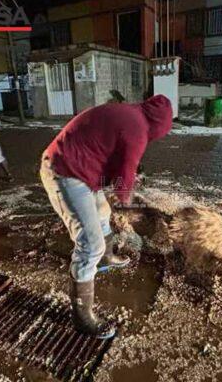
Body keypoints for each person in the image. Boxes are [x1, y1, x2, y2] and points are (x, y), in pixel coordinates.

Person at [40, 95, 173, 338]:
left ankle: (106, 258)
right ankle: (82, 317)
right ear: (159, 126)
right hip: (64, 172)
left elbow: (112, 157)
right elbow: (125, 182)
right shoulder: (137, 129)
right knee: (90, 244)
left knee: (103, 212)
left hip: (79, 167)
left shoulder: (130, 114)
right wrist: (130, 204)